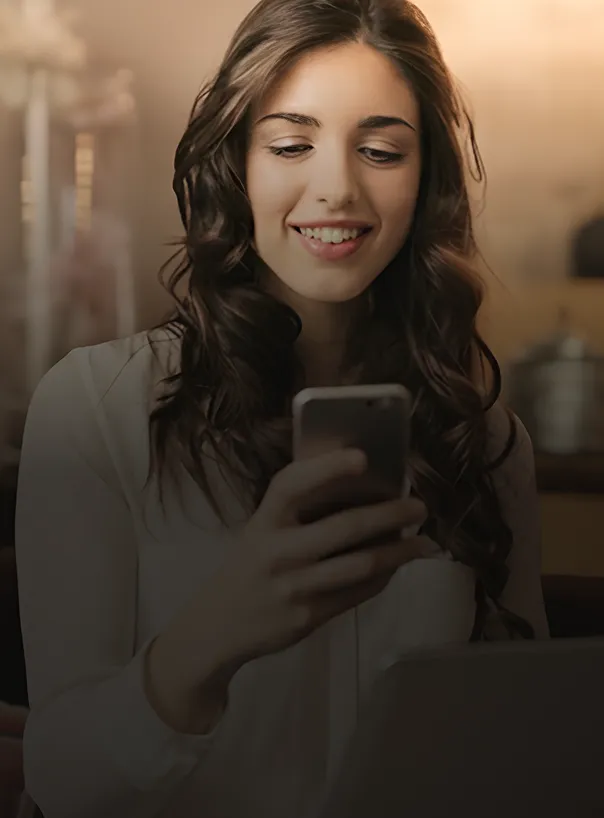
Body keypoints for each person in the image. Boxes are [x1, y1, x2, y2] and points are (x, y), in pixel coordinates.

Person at [14, 1, 549, 816]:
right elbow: (61, 781)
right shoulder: (94, 409)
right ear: (236, 164)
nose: (336, 187)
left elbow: (527, 751)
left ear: (425, 177)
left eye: (380, 150)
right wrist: (220, 632)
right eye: (291, 144)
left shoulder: (484, 439)